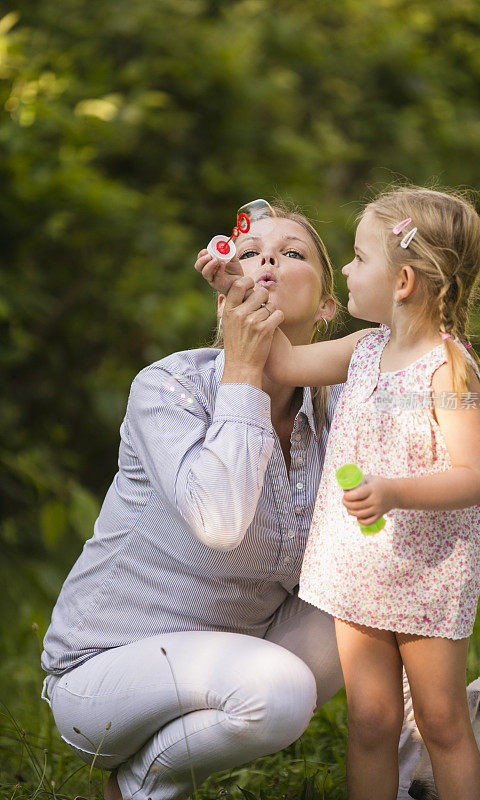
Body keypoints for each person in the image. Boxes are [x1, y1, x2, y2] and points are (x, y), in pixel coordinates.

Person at [40, 202, 422, 800]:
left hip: (241, 661)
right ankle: (143, 781)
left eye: (293, 252)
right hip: (108, 672)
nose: (268, 257)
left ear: (327, 305)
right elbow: (220, 520)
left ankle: (410, 782)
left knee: (376, 586)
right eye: (250, 251)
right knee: (280, 690)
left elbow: (389, 548)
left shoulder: (342, 408)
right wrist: (243, 367)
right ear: (224, 293)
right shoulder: (167, 388)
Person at [209, 188, 480, 800]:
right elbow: (282, 362)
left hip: (426, 574)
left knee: (441, 721)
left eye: (360, 259)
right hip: (358, 568)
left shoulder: (449, 368)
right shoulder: (362, 350)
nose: (348, 270)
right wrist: (241, 285)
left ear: (403, 283)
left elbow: (476, 475)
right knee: (370, 720)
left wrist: (393, 490)